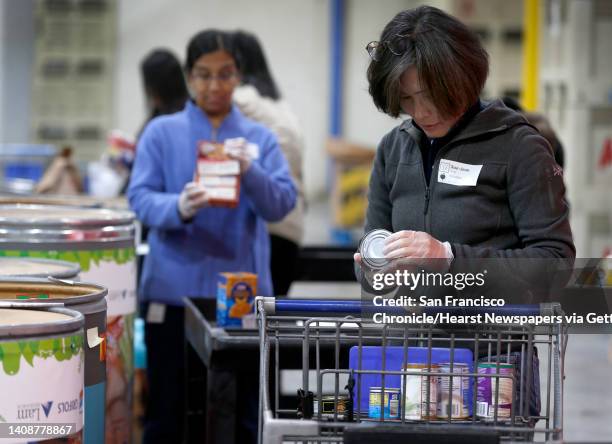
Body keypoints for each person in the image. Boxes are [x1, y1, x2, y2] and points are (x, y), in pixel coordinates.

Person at [355, 5, 575, 425]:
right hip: (407, 369)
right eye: (406, 98)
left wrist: (452, 260)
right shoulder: (393, 149)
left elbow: (555, 263)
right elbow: (375, 258)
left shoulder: (519, 147)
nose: (422, 112)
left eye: (433, 95)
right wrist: (373, 267)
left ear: (463, 77)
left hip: (490, 373)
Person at [127, 29, 296, 443]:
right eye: (203, 75)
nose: (214, 85)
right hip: (171, 294)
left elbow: (282, 203)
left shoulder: (257, 139)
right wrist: (178, 207)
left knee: (237, 414)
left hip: (238, 297)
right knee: (167, 412)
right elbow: (139, 198)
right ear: (188, 77)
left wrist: (249, 172)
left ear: (238, 76)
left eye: (225, 74)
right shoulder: (161, 133)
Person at [232, 30, 305, 296]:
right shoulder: (281, 104)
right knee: (275, 322)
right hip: (293, 224)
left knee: (248, 321)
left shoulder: (241, 100)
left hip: (264, 226)